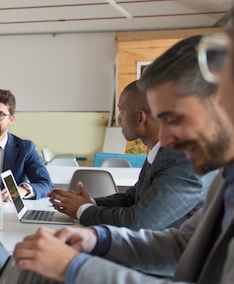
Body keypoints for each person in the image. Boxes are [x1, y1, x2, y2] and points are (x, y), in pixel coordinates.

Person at [0, 24, 234, 284]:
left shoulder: (198, 165)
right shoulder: (225, 175)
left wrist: (75, 268)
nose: (165, 140)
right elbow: (184, 244)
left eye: (175, 118)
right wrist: (96, 238)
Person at [49, 80, 214, 230]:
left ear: (140, 117)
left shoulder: (184, 160)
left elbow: (138, 223)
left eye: (122, 111)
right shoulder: (163, 152)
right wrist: (89, 202)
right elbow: (132, 198)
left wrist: (82, 210)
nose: (119, 119)